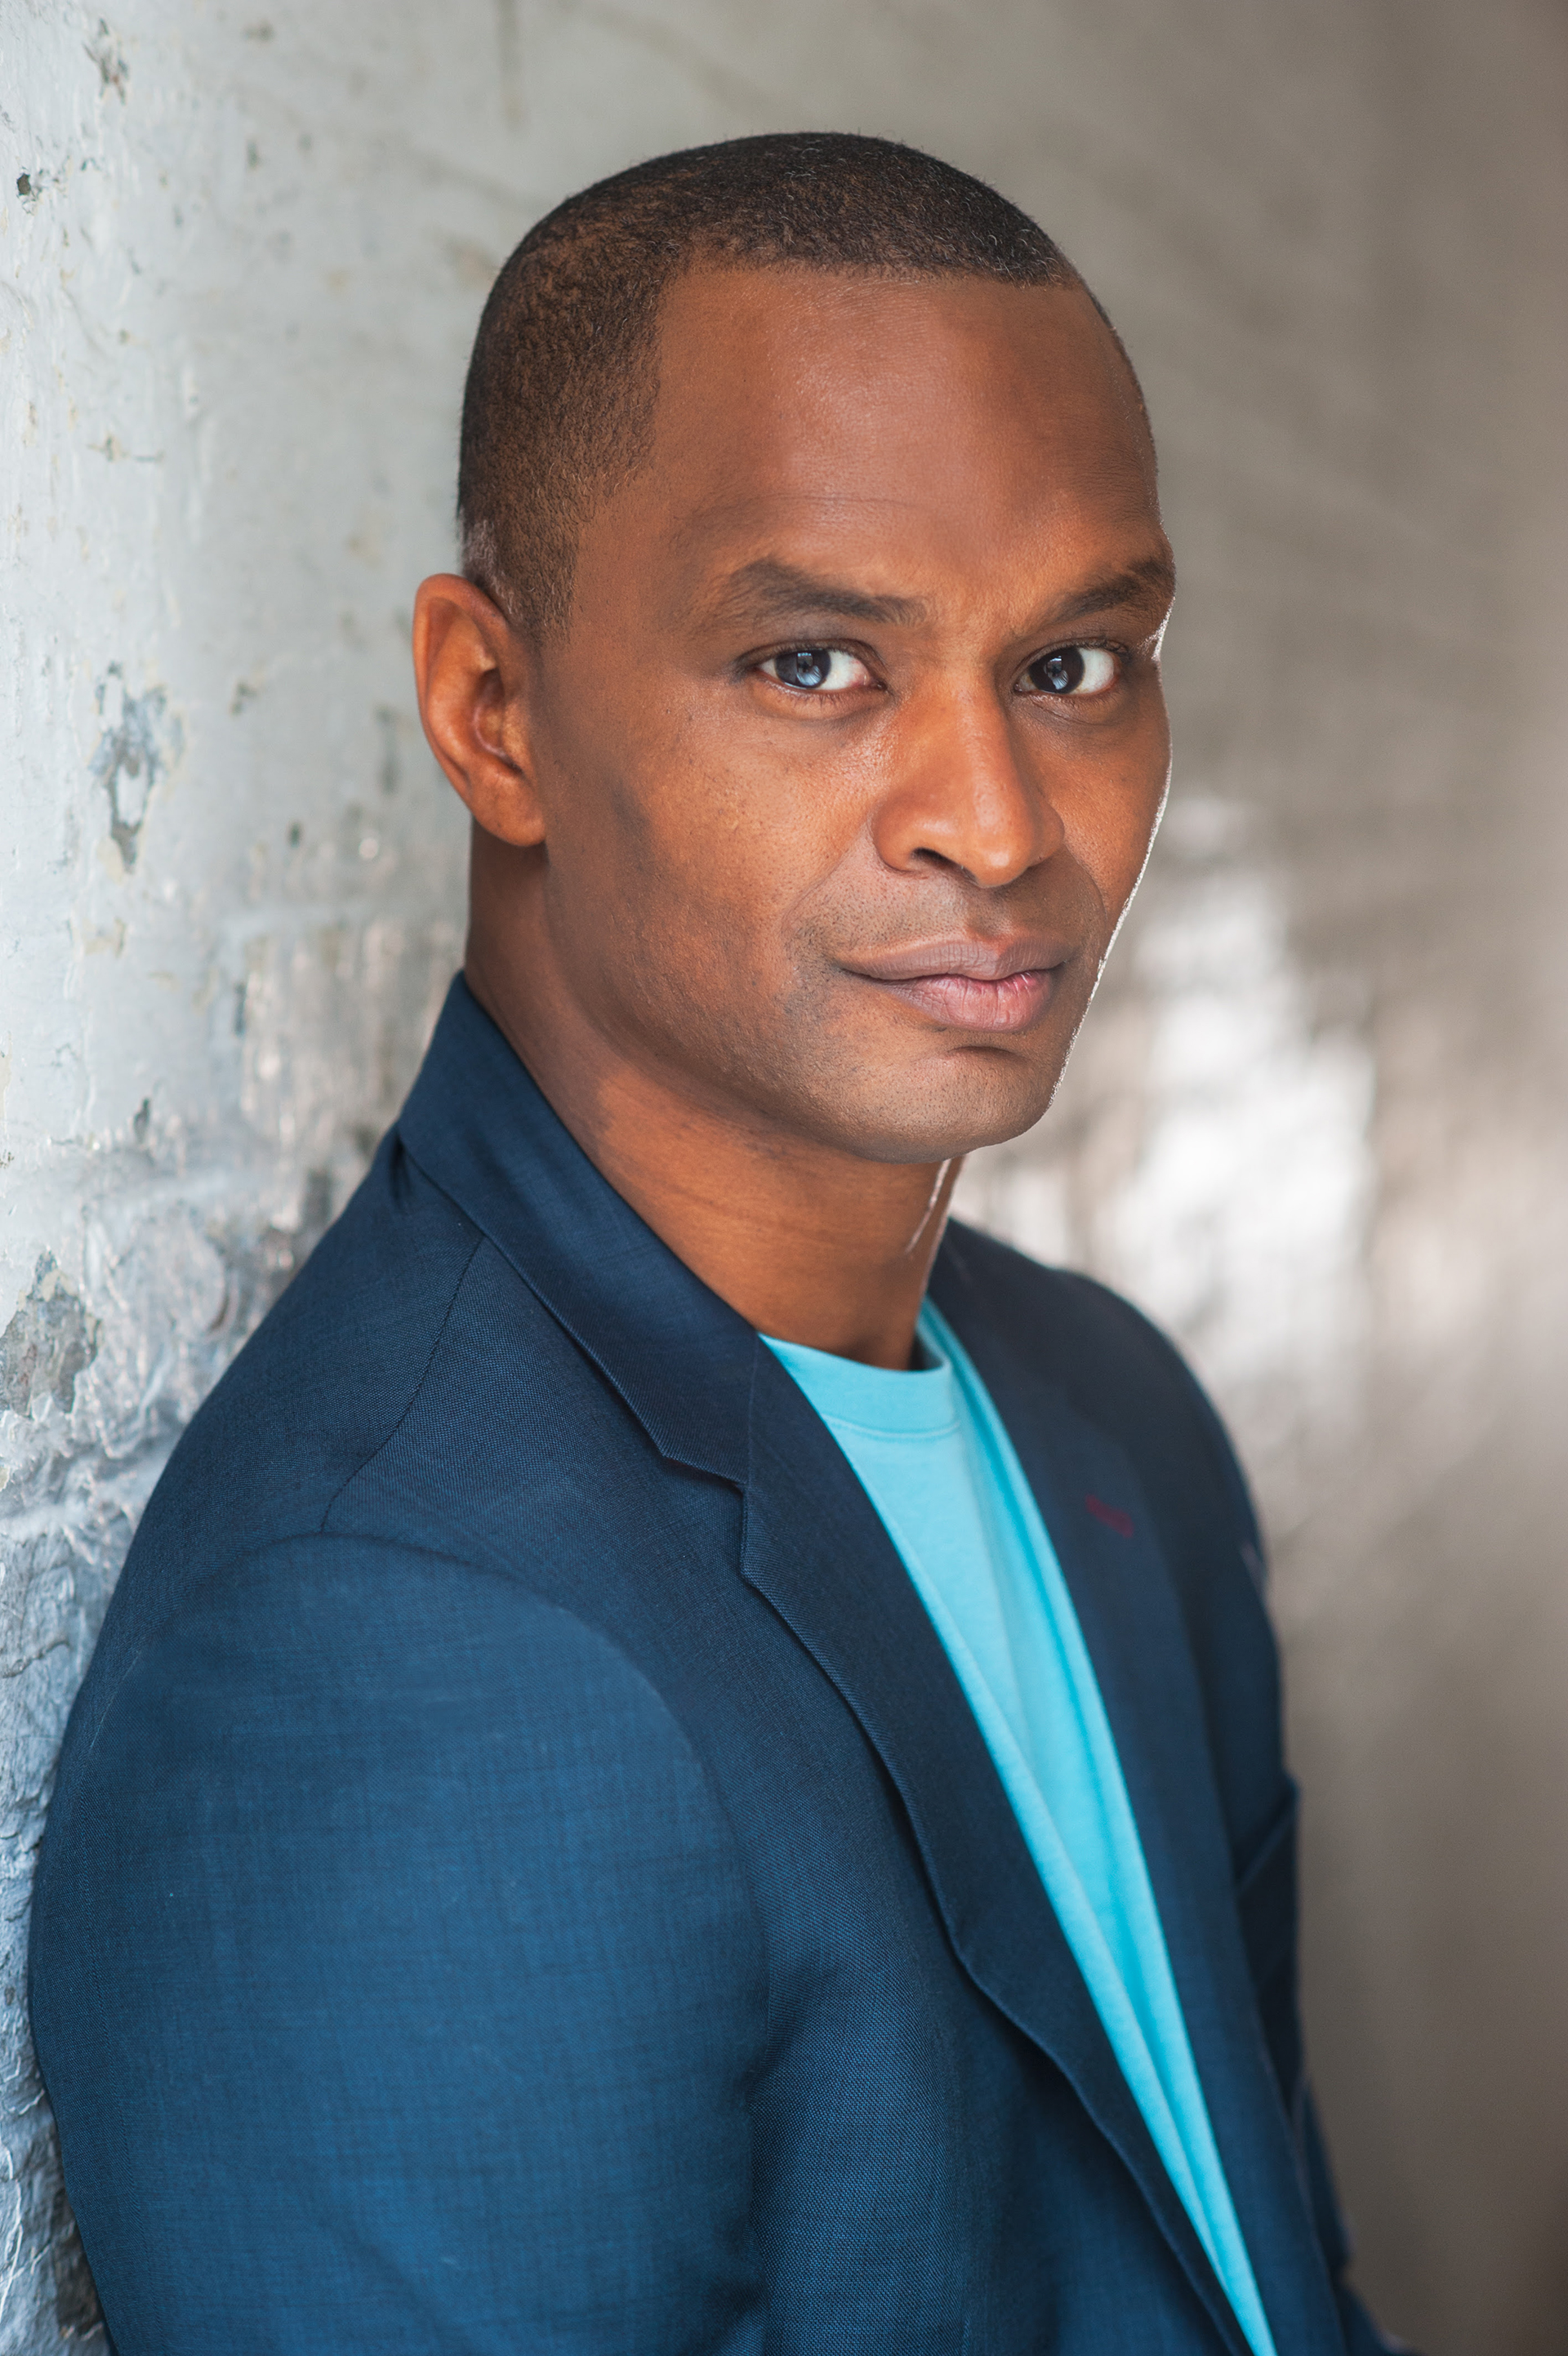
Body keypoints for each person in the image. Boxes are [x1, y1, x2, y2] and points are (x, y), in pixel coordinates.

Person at [30, 133, 1403, 2354]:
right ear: (494, 712)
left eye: (1072, 663)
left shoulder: (1112, 1414)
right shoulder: (399, 1654)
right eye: (814, 663)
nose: (996, 823)